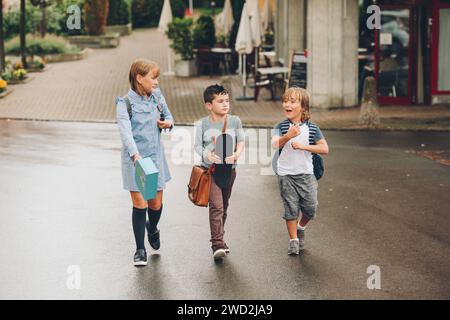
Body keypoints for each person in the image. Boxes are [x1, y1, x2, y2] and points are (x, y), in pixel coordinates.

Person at [116, 59, 174, 266]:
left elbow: (169, 116)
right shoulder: (125, 103)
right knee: (140, 204)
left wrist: (168, 123)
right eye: (153, 77)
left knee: (155, 204)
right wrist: (135, 156)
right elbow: (125, 133)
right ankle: (140, 250)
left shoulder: (157, 97)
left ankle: (152, 228)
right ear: (140, 79)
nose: (156, 82)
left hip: (155, 159)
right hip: (136, 161)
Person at [271, 87, 329, 255]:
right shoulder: (281, 126)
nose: (287, 104)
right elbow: (275, 145)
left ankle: (301, 227)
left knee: (311, 208)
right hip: (285, 174)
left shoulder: (312, 128)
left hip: (306, 174)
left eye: (292, 101)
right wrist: (288, 136)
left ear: (303, 107)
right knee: (291, 208)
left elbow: (324, 149)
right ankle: (294, 241)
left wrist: (303, 146)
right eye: (285, 101)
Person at [194, 84, 245, 260]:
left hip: (229, 171)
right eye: (220, 101)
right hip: (211, 172)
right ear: (209, 105)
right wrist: (207, 154)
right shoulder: (202, 124)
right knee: (216, 206)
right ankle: (217, 244)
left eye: (227, 101)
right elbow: (197, 146)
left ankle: (220, 238)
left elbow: (241, 141)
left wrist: (237, 154)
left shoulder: (235, 121)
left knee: (224, 206)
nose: (225, 104)